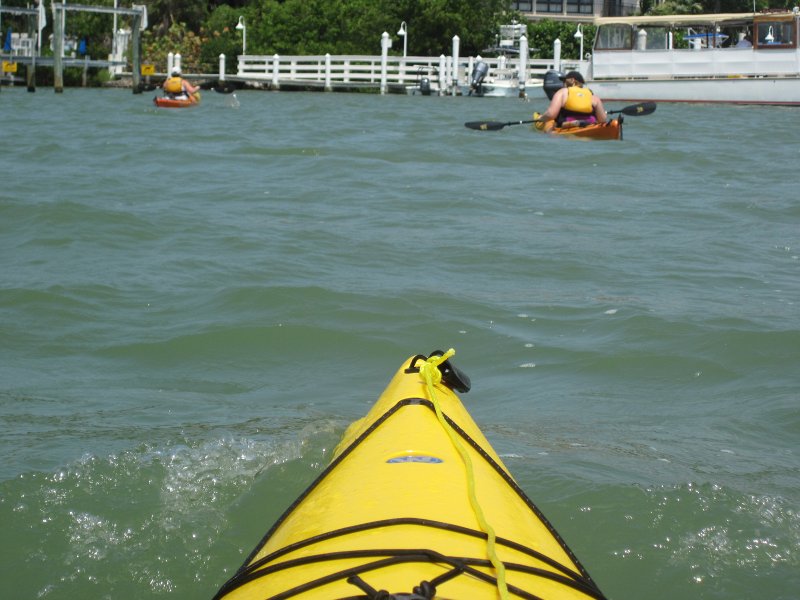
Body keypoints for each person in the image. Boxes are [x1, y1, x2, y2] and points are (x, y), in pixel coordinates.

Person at [535, 71, 606, 129]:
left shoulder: (562, 92)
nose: (563, 83)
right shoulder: (593, 96)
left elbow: (551, 114)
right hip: (590, 123)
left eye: (565, 80)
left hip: (567, 123)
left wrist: (541, 118)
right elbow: (602, 119)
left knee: (554, 125)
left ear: (573, 80)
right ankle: (583, 122)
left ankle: (573, 123)